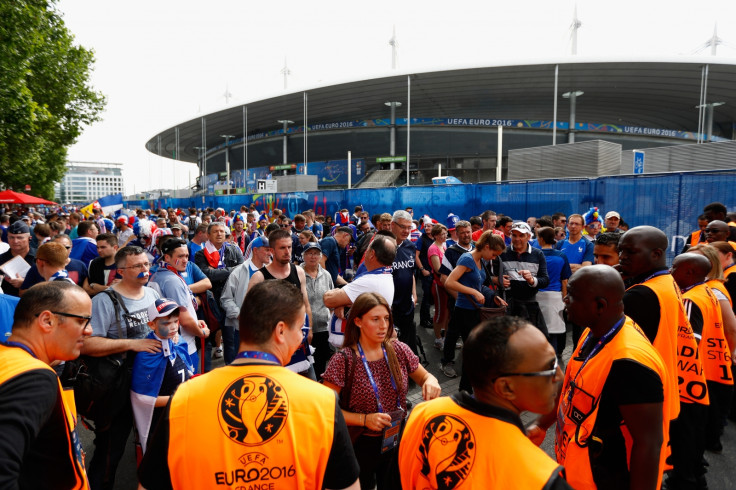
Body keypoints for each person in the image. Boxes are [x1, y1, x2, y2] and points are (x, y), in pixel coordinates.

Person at [138, 280, 360, 490]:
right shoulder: (322, 402)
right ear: (281, 331)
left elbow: (150, 485)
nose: (302, 338)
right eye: (300, 329)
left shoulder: (184, 400)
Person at [529, 265, 671, 490]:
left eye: (572, 296)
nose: (565, 299)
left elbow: (649, 443)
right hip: (578, 470)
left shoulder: (630, 363)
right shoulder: (593, 331)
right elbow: (570, 387)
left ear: (599, 306)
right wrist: (540, 423)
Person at [399, 316, 569, 489]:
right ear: (506, 387)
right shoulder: (542, 478)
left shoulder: (423, 415)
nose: (560, 376)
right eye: (550, 367)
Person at [618, 226, 708, 490]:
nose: (622, 256)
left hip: (644, 397)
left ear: (657, 253)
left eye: (630, 251)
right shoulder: (666, 283)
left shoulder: (641, 295)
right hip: (671, 389)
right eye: (621, 250)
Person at [322, 292, 441, 489]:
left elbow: (425, 376)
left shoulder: (398, 349)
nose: (384, 326)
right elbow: (326, 411)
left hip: (396, 438)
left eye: (386, 318)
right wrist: (365, 419)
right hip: (361, 444)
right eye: (375, 319)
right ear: (358, 321)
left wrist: (432, 381)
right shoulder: (343, 360)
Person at [82, 246, 162, 490]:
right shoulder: (104, 301)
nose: (144, 270)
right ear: (121, 271)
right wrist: (133, 344)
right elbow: (86, 344)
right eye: (137, 266)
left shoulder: (151, 293)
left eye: (146, 264)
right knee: (110, 451)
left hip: (149, 383)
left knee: (155, 445)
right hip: (117, 388)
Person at [0, 281, 92, 489]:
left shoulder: (9, 359)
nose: (89, 330)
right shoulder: (33, 379)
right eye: (82, 320)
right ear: (47, 321)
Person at [671, 253, 733, 457]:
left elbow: (688, 344)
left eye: (674, 268)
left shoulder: (690, 298)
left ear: (689, 272)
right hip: (712, 369)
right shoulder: (707, 290)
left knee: (687, 434)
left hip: (693, 376)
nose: (670, 272)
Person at [445, 232, 508, 392]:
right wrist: (474, 292)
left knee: (475, 350)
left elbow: (480, 286)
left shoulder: (479, 259)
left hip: (474, 311)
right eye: (494, 254)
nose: (494, 258)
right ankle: (465, 390)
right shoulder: (468, 258)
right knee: (473, 350)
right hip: (465, 311)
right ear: (487, 247)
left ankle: (467, 388)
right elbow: (449, 282)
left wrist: (494, 297)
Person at [130, 298, 194, 455]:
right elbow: (141, 398)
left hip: (182, 417)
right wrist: (179, 398)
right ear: (151, 325)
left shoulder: (178, 342)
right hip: (160, 423)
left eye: (176, 321)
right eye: (166, 323)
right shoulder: (147, 355)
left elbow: (188, 372)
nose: (173, 327)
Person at [248, 229, 314, 378]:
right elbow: (247, 314)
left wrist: (309, 330)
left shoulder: (298, 272)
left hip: (299, 342)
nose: (287, 251)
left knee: (306, 388)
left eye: (289, 247)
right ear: (272, 250)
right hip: (272, 347)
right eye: (282, 248)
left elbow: (306, 304)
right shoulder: (259, 277)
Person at [324, 232, 397, 348]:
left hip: (359, 344)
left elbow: (328, 299)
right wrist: (343, 301)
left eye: (367, 251)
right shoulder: (385, 275)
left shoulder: (370, 281)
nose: (365, 254)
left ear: (372, 254)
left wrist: (340, 300)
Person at [150, 238, 211, 370]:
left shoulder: (159, 274)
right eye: (180, 256)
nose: (185, 260)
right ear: (167, 257)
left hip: (174, 345)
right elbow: (185, 321)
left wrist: (195, 320)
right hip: (184, 347)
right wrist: (201, 332)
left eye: (187, 256)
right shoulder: (172, 280)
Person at [438, 220, 475, 378]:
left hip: (475, 304)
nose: (466, 235)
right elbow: (444, 278)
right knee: (453, 333)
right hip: (458, 303)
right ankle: (447, 362)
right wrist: (459, 298)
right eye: (463, 232)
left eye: (468, 232)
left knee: (472, 334)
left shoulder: (477, 248)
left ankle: (471, 365)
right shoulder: (451, 252)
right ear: (457, 234)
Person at [500, 222, 549, 337]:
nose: (517, 239)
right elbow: (489, 276)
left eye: (521, 236)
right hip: (509, 305)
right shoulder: (502, 253)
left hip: (530, 305)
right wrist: (498, 279)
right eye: (514, 235)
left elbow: (545, 280)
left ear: (528, 236)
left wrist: (532, 280)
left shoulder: (538, 254)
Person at [536, 227, 571, 359]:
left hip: (538, 295)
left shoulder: (536, 254)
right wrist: (564, 298)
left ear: (542, 239)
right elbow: (564, 280)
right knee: (554, 333)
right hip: (556, 297)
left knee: (539, 330)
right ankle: (554, 360)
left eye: (538, 237)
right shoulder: (561, 256)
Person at [300, 241, 334, 378]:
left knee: (320, 363)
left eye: (316, 254)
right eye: (309, 253)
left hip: (323, 327)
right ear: (303, 256)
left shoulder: (326, 275)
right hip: (303, 327)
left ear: (320, 257)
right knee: (304, 364)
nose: (313, 257)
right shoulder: (298, 273)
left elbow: (331, 298)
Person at [427, 224, 449, 350]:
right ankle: (438, 339)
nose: (444, 236)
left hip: (446, 285)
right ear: (435, 235)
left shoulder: (444, 245)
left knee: (447, 312)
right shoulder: (433, 248)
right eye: (441, 234)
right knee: (440, 313)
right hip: (439, 285)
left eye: (445, 233)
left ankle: (446, 338)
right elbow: (438, 269)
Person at [0, 220, 35, 296]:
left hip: (34, 302)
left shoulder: (39, 257)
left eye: (20, 238)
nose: (15, 241)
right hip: (8, 303)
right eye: (11, 237)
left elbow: (49, 282)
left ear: (30, 238)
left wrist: (25, 283)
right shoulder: (2, 258)